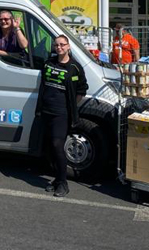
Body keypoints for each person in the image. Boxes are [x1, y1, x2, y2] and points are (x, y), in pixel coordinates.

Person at [36, 34, 88, 197]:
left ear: (68, 46)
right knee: (50, 147)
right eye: (56, 45)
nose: (59, 47)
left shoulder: (75, 67)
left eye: (62, 45)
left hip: (62, 113)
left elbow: (82, 89)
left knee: (58, 145)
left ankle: (63, 184)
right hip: (46, 110)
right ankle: (57, 179)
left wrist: (71, 105)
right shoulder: (48, 63)